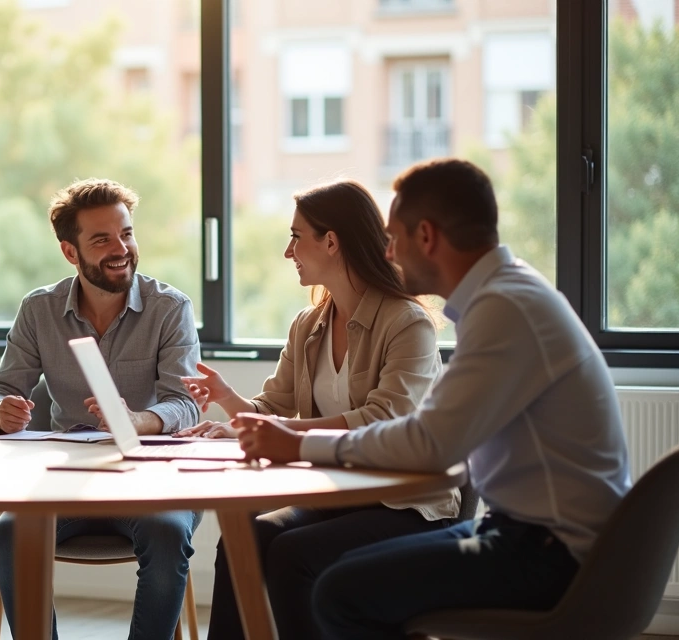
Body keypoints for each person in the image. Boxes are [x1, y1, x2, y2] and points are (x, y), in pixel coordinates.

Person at [232, 158, 632, 639]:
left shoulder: (505, 309)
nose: (387, 251)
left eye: (393, 237)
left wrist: (299, 445)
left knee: (341, 589)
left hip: (549, 552)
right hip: (527, 535)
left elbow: (429, 443)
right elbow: (433, 434)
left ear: (426, 236)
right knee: (311, 563)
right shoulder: (505, 297)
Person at [177, 179, 458, 639]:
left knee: (292, 554)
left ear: (331, 241)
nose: (289, 252)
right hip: (336, 496)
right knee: (244, 537)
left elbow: (385, 420)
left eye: (295, 237)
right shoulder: (308, 325)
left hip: (403, 502)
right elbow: (273, 408)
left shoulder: (407, 324)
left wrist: (287, 434)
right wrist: (230, 403)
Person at [0, 177, 202, 640]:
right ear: (70, 252)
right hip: (68, 479)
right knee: (12, 533)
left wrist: (138, 420)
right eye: (101, 239)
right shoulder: (38, 310)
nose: (120, 248)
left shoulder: (170, 308)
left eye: (126, 233)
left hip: (152, 478)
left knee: (167, 533)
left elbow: (187, 404)